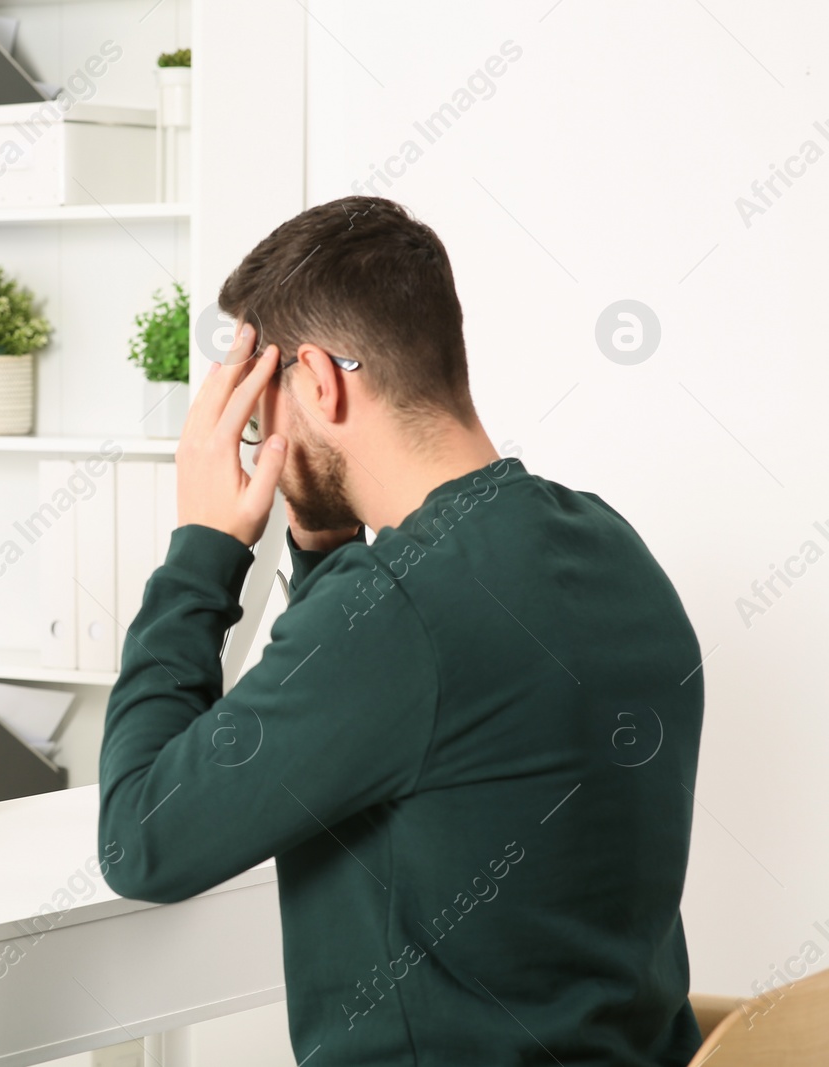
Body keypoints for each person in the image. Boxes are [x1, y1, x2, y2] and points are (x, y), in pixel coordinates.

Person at [97, 197, 703, 1066]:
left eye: (264, 413)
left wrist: (200, 551)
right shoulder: (610, 543)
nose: (263, 439)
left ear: (319, 381)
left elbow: (138, 838)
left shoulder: (397, 608)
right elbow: (360, 734)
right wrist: (322, 546)